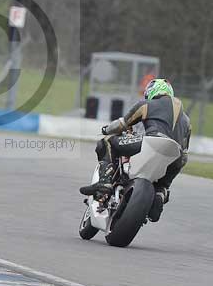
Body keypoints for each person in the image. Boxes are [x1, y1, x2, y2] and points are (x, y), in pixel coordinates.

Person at [80, 78, 191, 221]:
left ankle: (105, 182)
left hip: (151, 141)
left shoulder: (146, 104)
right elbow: (185, 150)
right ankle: (160, 193)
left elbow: (122, 124)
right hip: (176, 154)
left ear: (152, 91)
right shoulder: (186, 120)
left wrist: (106, 129)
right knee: (164, 181)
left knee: (107, 141)